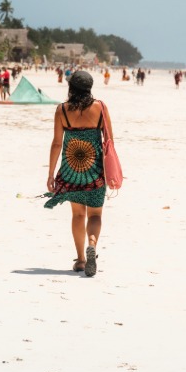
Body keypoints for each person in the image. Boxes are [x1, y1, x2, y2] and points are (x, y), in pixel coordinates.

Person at [44, 70, 112, 278]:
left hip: (71, 170)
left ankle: (81, 259)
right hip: (95, 170)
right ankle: (92, 243)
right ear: (90, 88)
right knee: (95, 214)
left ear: (71, 87)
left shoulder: (62, 110)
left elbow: (57, 143)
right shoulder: (100, 107)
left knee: (78, 214)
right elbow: (109, 140)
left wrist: (50, 172)